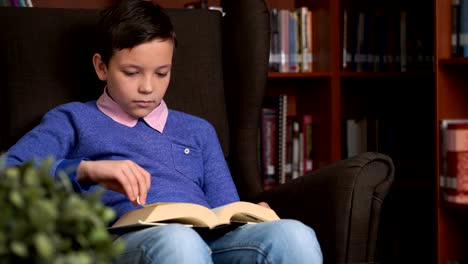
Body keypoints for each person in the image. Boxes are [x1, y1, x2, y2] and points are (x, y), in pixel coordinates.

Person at [5, 0, 323, 263]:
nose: (148, 88)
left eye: (161, 73)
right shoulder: (72, 119)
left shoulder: (198, 130)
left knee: (294, 234)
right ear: (101, 67)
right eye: (132, 73)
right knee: (180, 243)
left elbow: (224, 208)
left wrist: (251, 217)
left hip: (211, 242)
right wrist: (87, 170)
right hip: (129, 242)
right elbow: (9, 173)